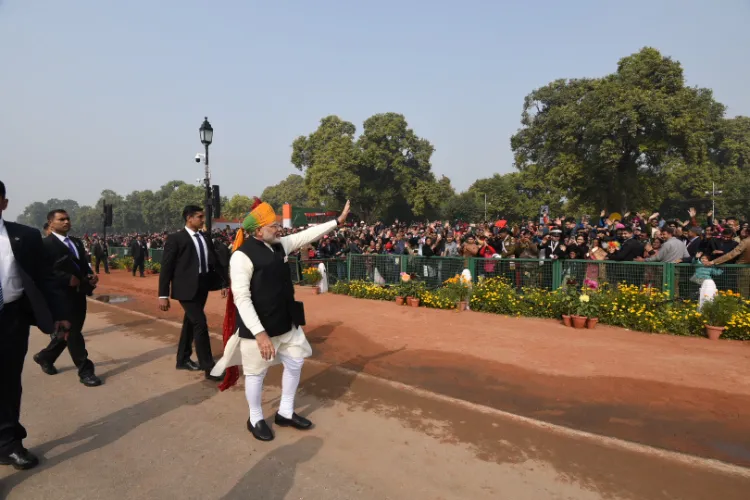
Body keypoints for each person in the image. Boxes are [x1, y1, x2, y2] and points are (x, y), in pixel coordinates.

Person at [211, 198, 351, 441]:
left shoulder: (279, 245)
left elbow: (307, 235)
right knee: (256, 373)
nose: (279, 229)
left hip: (286, 322)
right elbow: (241, 299)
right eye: (273, 226)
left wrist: (336, 222)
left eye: (277, 225)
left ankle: (285, 411)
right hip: (258, 328)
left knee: (296, 362)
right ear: (258, 231)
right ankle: (255, 418)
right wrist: (259, 334)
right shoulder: (241, 257)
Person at [1, 181, 70, 470]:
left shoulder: (24, 237)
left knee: (6, 381)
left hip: (10, 317)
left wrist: (59, 313)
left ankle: (7, 443)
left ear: (4, 203)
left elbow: (45, 278)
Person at [32, 210, 103, 387]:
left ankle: (45, 357)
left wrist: (89, 275)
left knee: (70, 331)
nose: (66, 222)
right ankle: (85, 370)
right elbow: (42, 273)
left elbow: (81, 265)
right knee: (74, 334)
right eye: (61, 219)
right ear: (51, 223)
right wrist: (65, 279)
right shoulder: (45, 244)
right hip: (60, 297)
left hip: (78, 294)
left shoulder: (76, 243)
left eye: (67, 219)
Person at [158, 205, 228, 380]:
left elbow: (214, 260)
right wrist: (163, 295)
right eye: (199, 217)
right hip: (184, 289)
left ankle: (182, 359)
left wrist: (225, 282)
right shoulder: (176, 239)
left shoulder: (205, 237)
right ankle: (208, 367)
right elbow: (166, 267)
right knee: (200, 323)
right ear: (189, 218)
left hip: (202, 286)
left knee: (191, 322)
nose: (202, 220)